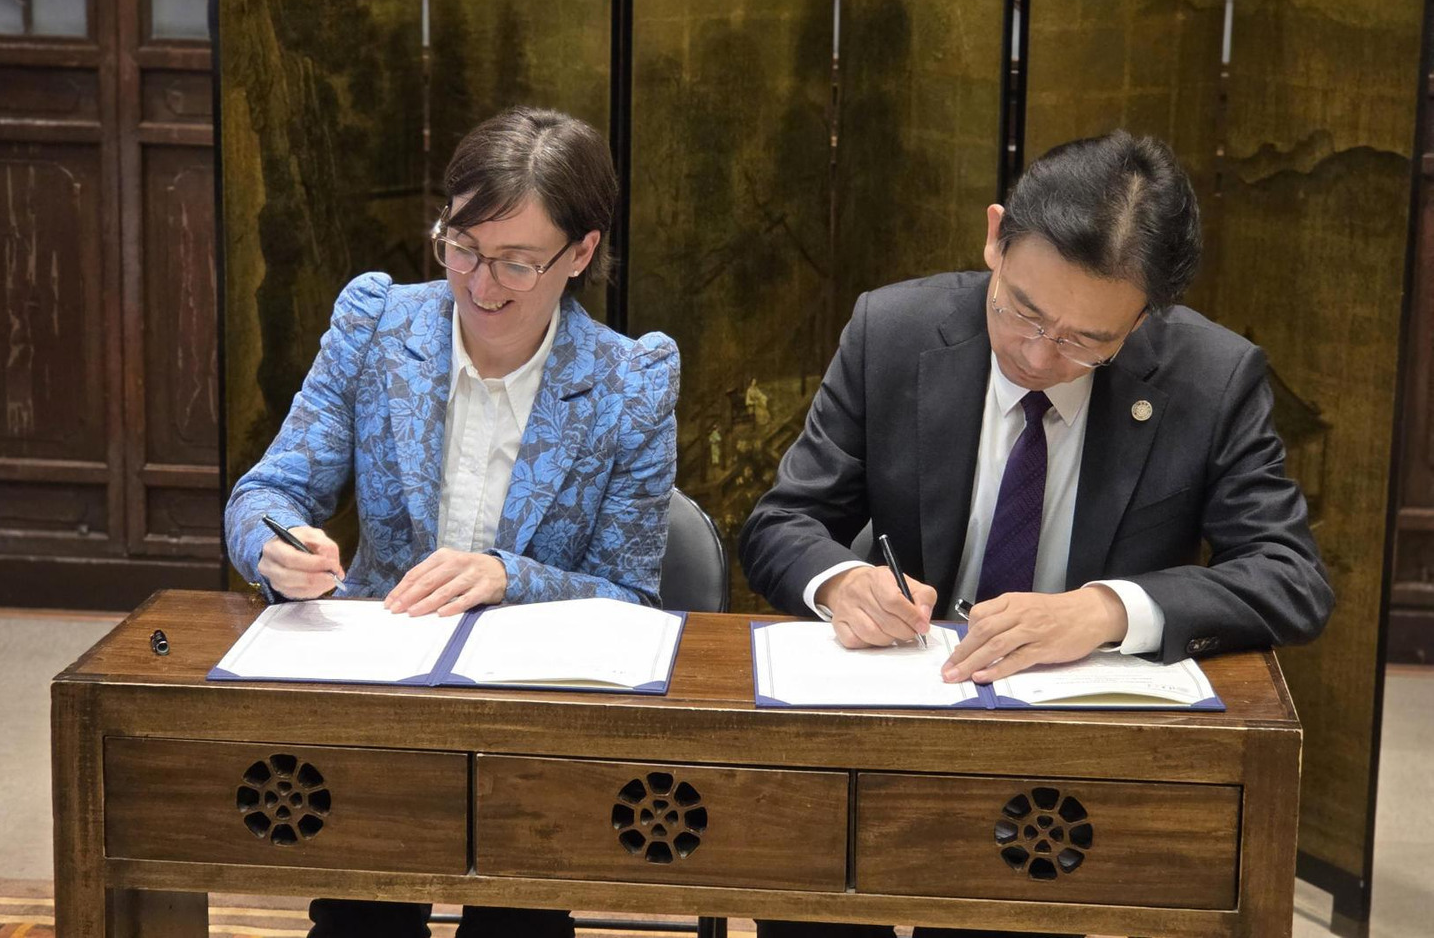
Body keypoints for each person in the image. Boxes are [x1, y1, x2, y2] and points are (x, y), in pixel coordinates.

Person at [739, 130, 1334, 938]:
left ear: (1145, 315)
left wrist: (1108, 610)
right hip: (892, 724)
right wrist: (842, 583)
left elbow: (1290, 574)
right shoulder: (894, 330)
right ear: (995, 236)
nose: (1039, 352)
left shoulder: (1210, 379)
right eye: (1023, 308)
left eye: (1088, 340)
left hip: (1069, 767)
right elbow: (783, 520)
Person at [224, 107, 679, 938]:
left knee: (519, 922)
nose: (480, 284)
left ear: (581, 253)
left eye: (516, 262)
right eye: (462, 246)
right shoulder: (375, 326)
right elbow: (268, 489)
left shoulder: (630, 383)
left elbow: (633, 599)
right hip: (376, 707)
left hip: (532, 729)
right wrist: (274, 546)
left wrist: (511, 576)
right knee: (360, 919)